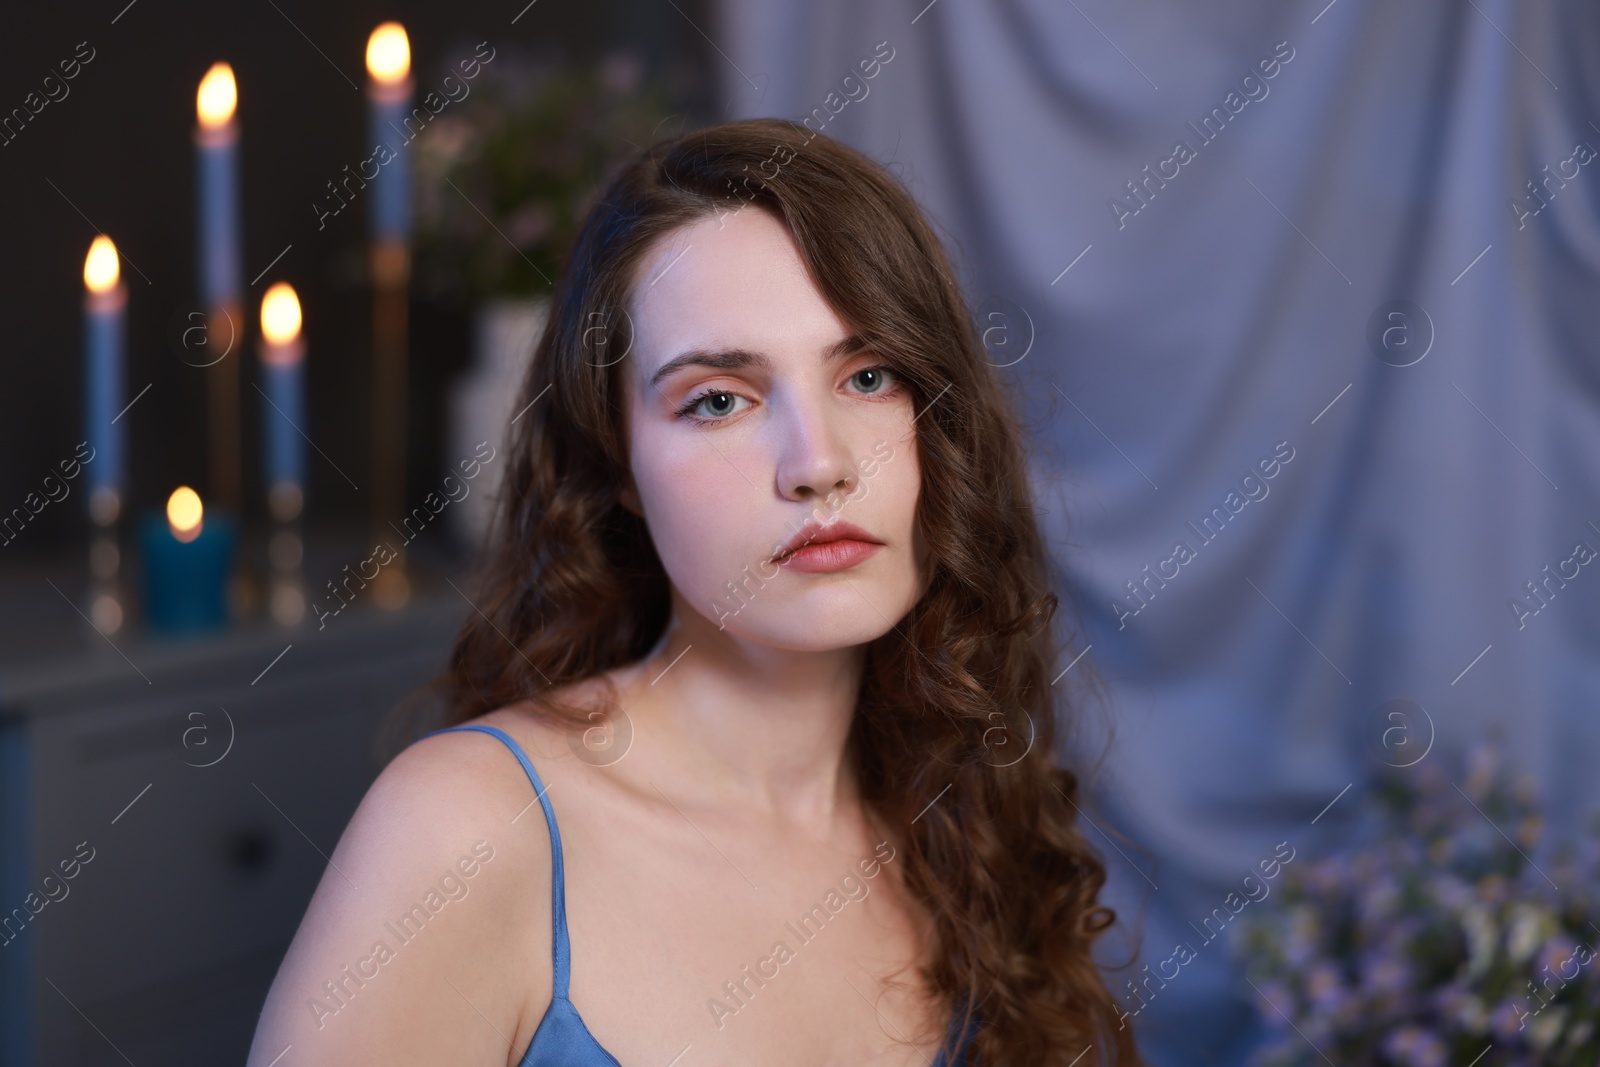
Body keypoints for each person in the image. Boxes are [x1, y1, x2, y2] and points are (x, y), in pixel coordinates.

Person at [249, 117, 1139, 1067]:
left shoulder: (959, 812)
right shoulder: (465, 830)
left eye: (869, 376)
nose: (818, 463)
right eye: (718, 398)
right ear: (618, 465)